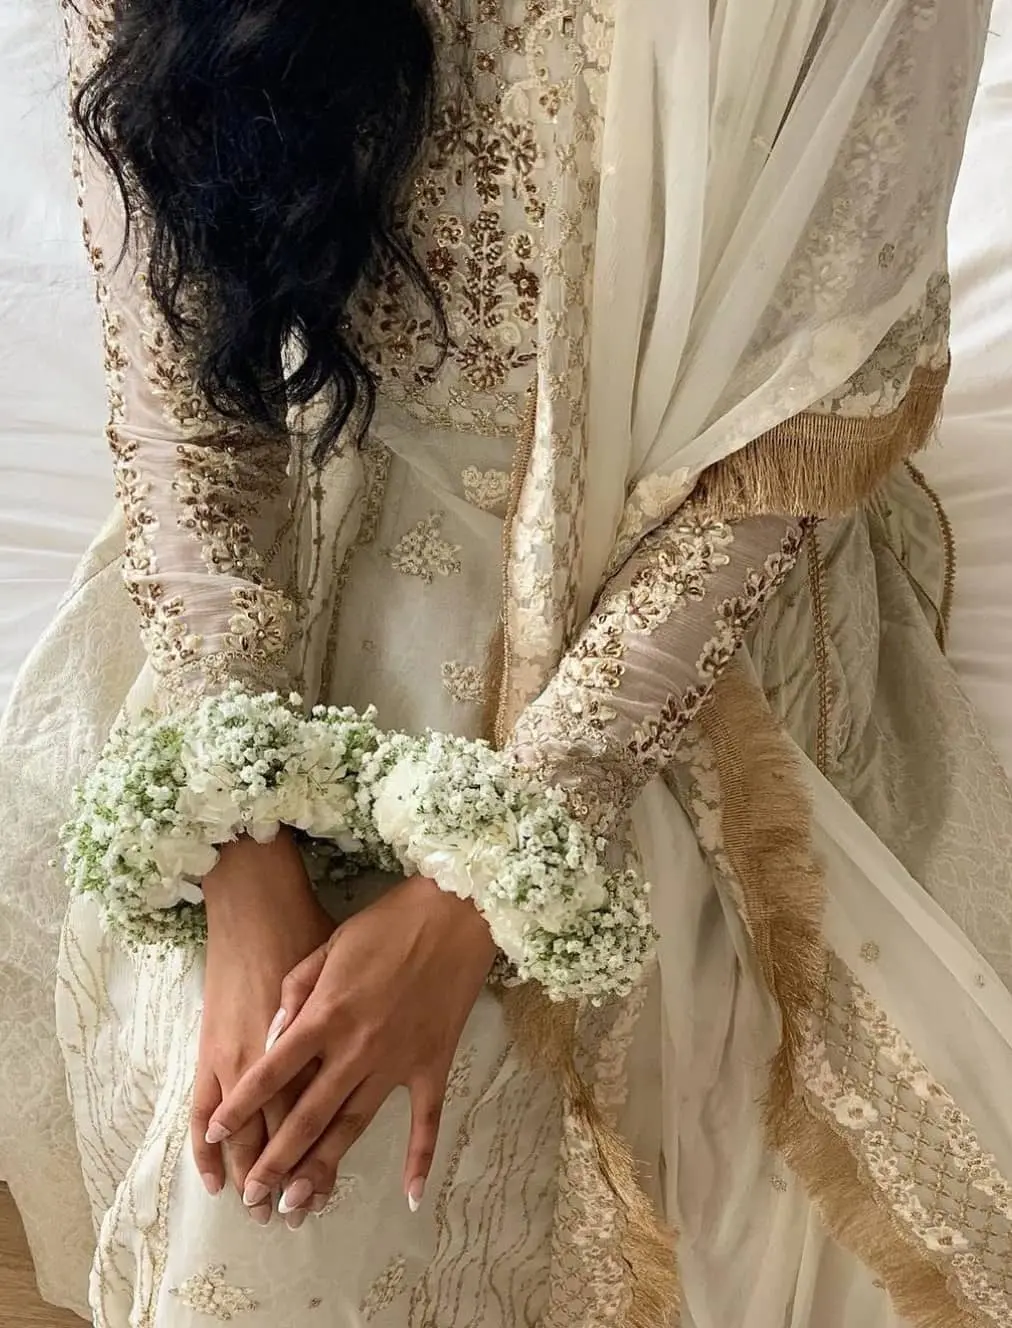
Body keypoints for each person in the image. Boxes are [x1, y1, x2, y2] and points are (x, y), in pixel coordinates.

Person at [0, 1, 1009, 1325]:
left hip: (667, 564)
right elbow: (190, 417)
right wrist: (238, 850)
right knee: (242, 1062)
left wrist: (484, 884)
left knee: (460, 1071)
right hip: (313, 530)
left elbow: (812, 412)